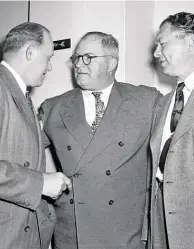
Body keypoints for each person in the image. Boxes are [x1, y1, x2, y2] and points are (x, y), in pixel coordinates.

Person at [39, 31, 162, 249]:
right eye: (77, 58)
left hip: (125, 232)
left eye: (88, 57)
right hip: (72, 233)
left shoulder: (146, 101)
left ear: (111, 63)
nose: (79, 64)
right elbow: (21, 152)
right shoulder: (53, 107)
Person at [0, 22, 72, 249]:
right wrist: (40, 183)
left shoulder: (19, 92)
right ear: (30, 52)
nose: (49, 67)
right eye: (48, 58)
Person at [148, 12, 194, 249]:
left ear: (190, 42)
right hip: (163, 226)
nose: (156, 53)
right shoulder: (164, 102)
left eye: (163, 44)